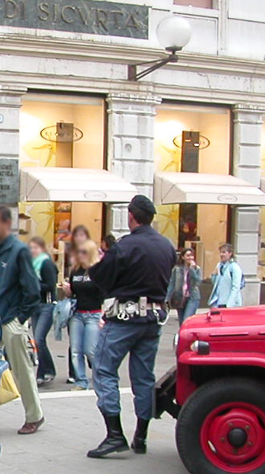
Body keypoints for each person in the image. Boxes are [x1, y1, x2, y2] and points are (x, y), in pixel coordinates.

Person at [86, 195, 176, 458]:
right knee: (144, 376)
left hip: (125, 318)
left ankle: (115, 434)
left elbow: (101, 276)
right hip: (153, 318)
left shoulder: (125, 246)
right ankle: (141, 436)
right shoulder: (166, 246)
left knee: (103, 369)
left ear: (131, 215)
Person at [0, 205, 44, 435]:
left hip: (9, 320)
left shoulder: (19, 251)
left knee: (22, 369)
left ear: (6, 225)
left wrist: (19, 320)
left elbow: (32, 290)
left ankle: (34, 415)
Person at [61, 239, 104, 390]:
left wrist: (104, 316)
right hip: (77, 313)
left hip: (94, 313)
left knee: (90, 350)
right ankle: (81, 381)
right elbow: (73, 292)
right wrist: (68, 291)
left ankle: (101, 377)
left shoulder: (98, 270)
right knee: (75, 350)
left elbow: (105, 293)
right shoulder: (75, 270)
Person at [28, 237, 58, 385]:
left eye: (35, 248)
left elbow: (51, 285)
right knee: (38, 341)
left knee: (39, 339)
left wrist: (34, 285)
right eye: (31, 248)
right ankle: (46, 370)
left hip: (46, 305)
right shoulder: (32, 265)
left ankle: (45, 371)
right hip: (35, 306)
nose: (32, 251)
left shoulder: (46, 264)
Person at [167, 247, 203, 325]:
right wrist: (167, 298)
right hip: (179, 297)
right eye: (188, 256)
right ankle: (183, 336)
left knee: (186, 320)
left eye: (192, 255)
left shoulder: (197, 268)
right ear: (183, 257)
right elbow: (172, 284)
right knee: (181, 322)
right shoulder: (176, 269)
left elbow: (198, 282)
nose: (190, 258)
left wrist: (192, 269)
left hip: (192, 297)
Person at [208, 243, 244, 308]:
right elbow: (215, 284)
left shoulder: (234, 267)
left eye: (224, 252)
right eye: (220, 252)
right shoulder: (219, 265)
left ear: (230, 253)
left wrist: (229, 305)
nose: (221, 254)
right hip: (218, 301)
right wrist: (213, 275)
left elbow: (236, 287)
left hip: (229, 303)